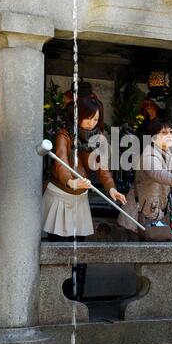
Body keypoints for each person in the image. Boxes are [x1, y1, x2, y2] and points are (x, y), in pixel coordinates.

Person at [42, 95, 127, 298]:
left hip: (79, 197)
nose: (92, 123)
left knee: (80, 251)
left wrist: (112, 189)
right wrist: (71, 181)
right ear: (77, 116)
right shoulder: (64, 135)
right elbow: (61, 161)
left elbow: (103, 169)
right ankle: (58, 299)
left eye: (96, 119)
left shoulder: (100, 139)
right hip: (61, 195)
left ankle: (78, 298)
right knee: (60, 251)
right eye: (88, 118)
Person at [118, 119, 172, 238]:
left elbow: (170, 174)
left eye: (171, 132)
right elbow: (158, 173)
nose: (170, 135)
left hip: (153, 211)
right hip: (137, 215)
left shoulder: (166, 153)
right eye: (164, 133)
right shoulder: (149, 155)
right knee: (140, 253)